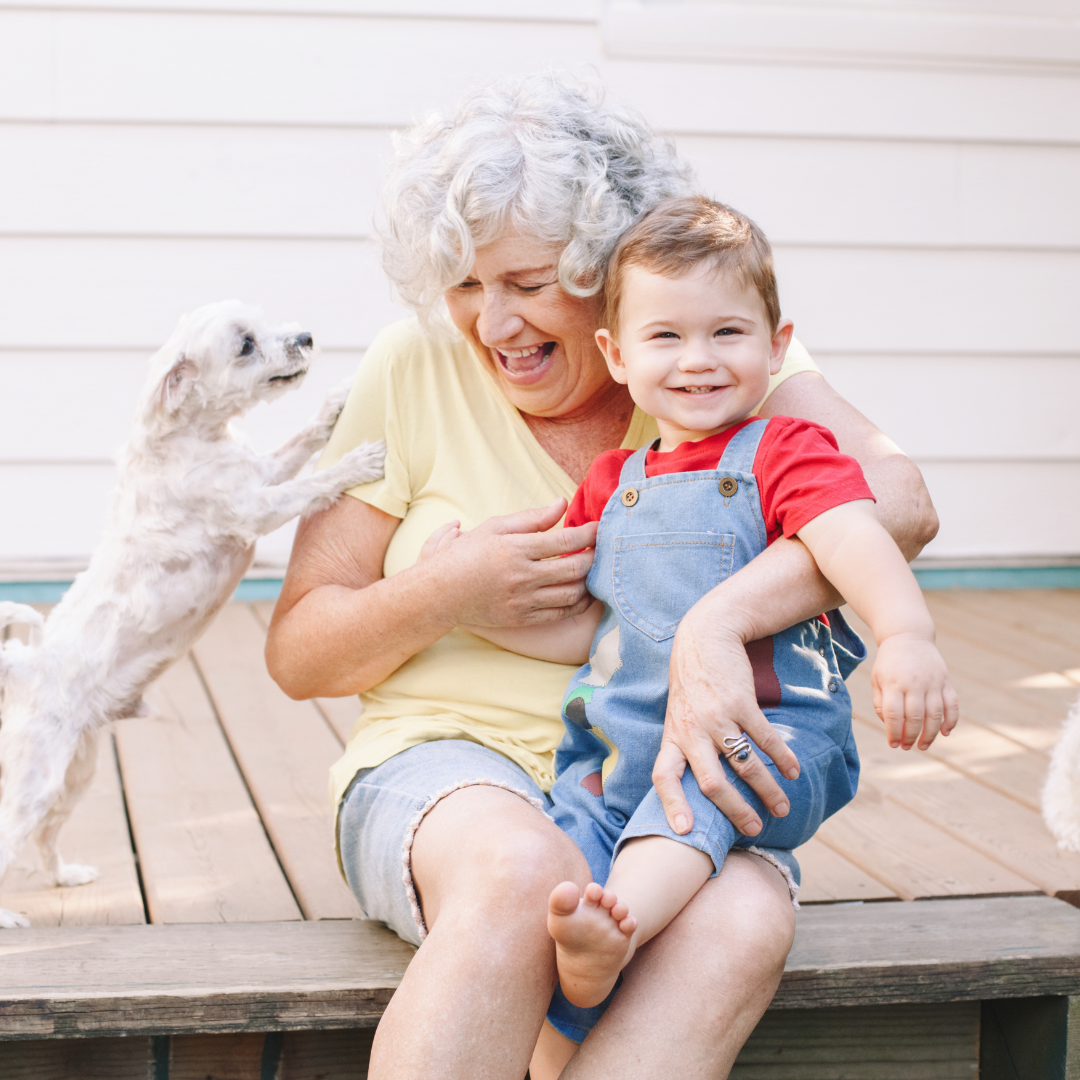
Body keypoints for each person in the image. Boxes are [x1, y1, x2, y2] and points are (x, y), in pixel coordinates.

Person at [264, 73, 941, 1080]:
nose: (491, 323)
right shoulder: (412, 366)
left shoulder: (704, 351)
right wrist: (451, 590)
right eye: (464, 283)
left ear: (611, 270)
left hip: (674, 774)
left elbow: (900, 503)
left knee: (747, 913)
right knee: (521, 870)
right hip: (453, 766)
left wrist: (716, 621)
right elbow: (298, 650)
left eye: (528, 281)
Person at [426, 196, 959, 1014]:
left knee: (700, 803)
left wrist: (906, 634)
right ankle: (569, 1004)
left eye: (727, 333)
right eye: (666, 336)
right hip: (623, 750)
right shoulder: (614, 482)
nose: (698, 360)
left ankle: (625, 930)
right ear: (616, 354)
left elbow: (855, 539)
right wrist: (464, 601)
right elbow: (586, 625)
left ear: (777, 346)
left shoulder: (786, 452)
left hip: (765, 738)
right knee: (561, 880)